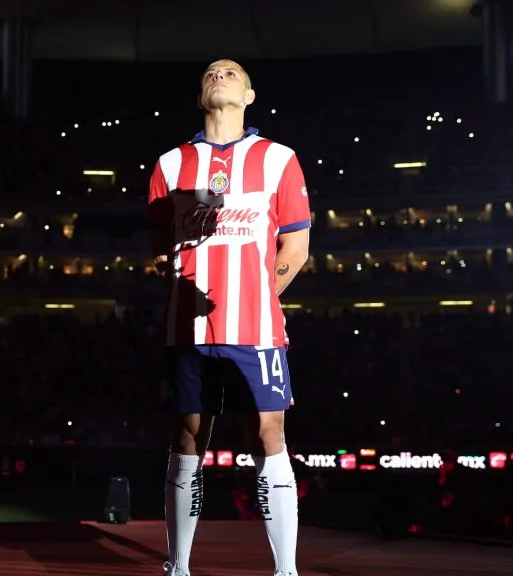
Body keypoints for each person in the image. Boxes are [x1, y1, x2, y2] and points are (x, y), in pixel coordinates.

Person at [148, 59, 311, 576]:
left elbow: (297, 246)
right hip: (187, 329)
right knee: (187, 439)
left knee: (268, 437)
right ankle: (179, 567)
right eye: (211, 73)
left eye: (232, 72)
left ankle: (285, 569)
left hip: (257, 330)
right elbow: (159, 250)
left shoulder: (280, 158)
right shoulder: (170, 164)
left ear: (250, 95)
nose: (219, 74)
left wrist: (259, 295)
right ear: (200, 97)